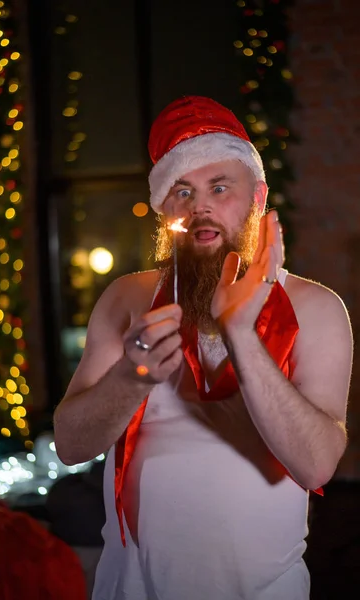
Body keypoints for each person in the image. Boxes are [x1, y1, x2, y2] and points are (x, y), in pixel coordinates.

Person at [54, 96, 353, 600]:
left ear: (256, 199)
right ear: (164, 209)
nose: (201, 207)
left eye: (219, 188)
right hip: (130, 587)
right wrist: (133, 376)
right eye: (183, 191)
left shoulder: (316, 308)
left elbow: (317, 464)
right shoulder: (129, 299)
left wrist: (240, 334)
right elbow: (71, 445)